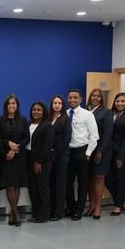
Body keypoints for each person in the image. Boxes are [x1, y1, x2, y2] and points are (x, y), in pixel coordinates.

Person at [65, 89, 99, 220]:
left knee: (82, 183)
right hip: (68, 152)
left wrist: (88, 153)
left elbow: (94, 135)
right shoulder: (65, 114)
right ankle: (71, 207)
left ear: (81, 100)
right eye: (70, 97)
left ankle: (79, 210)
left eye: (75, 97)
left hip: (82, 152)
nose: (72, 100)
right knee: (68, 182)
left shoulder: (87, 114)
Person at [0, 94, 29, 226]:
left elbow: (26, 138)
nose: (11, 106)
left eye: (14, 103)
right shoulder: (0, 120)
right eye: (9, 103)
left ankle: (13, 213)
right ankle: (16, 214)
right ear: (6, 106)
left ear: (17, 106)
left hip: (19, 157)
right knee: (10, 185)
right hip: (5, 158)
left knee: (16, 185)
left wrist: (15, 148)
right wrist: (8, 144)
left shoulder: (23, 119)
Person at [105, 93, 125, 216]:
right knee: (107, 178)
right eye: (117, 101)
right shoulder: (109, 114)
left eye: (123, 101)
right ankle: (120, 200)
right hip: (108, 152)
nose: (120, 103)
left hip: (122, 153)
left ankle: (118, 205)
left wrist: (121, 157)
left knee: (120, 179)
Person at [85, 88, 113, 219]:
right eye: (93, 96)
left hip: (101, 150)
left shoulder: (106, 112)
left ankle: (98, 206)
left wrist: (100, 151)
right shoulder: (86, 111)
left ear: (102, 98)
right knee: (89, 178)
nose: (95, 98)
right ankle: (91, 205)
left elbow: (107, 134)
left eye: (98, 96)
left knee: (99, 177)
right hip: (88, 150)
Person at [26, 102, 54, 223]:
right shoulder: (29, 124)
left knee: (42, 188)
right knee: (33, 188)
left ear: (44, 112)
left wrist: (39, 161)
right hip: (29, 159)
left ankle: (43, 215)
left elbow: (47, 145)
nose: (36, 112)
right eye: (34, 110)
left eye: (39, 110)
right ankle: (35, 213)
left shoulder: (47, 125)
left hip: (42, 161)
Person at [48, 95, 71, 221]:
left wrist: (56, 152)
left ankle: (59, 211)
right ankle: (52, 209)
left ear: (62, 105)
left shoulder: (65, 119)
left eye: (59, 103)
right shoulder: (48, 118)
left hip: (61, 155)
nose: (57, 105)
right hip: (50, 156)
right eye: (55, 102)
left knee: (60, 184)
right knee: (51, 183)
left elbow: (67, 139)